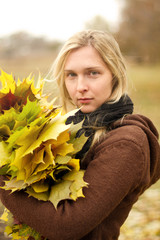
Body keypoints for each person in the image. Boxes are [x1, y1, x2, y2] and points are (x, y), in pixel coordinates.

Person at [0, 30, 160, 240]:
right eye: (71, 75)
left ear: (115, 75)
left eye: (93, 73)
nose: (80, 87)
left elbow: (65, 226)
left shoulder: (126, 144)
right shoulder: (70, 127)